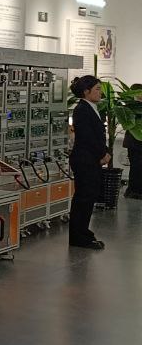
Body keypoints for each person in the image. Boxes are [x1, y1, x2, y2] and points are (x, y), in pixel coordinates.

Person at [68, 75, 108, 250]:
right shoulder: (82, 110)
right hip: (85, 160)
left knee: (88, 197)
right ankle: (78, 236)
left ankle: (83, 232)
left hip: (91, 159)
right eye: (97, 89)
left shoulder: (91, 108)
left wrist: (104, 152)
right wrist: (103, 153)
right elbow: (87, 137)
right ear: (86, 91)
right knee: (83, 198)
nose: (100, 93)